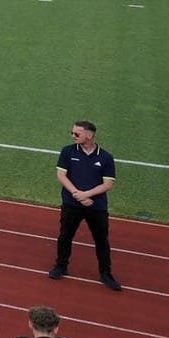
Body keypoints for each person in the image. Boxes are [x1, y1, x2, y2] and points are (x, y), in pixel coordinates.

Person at [49, 119, 120, 290]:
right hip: (71, 204)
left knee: (101, 240)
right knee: (65, 236)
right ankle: (61, 266)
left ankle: (106, 274)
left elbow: (108, 184)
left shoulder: (105, 157)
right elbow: (61, 176)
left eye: (76, 133)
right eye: (72, 133)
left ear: (89, 135)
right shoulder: (67, 152)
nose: (73, 136)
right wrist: (76, 194)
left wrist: (86, 195)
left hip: (96, 206)